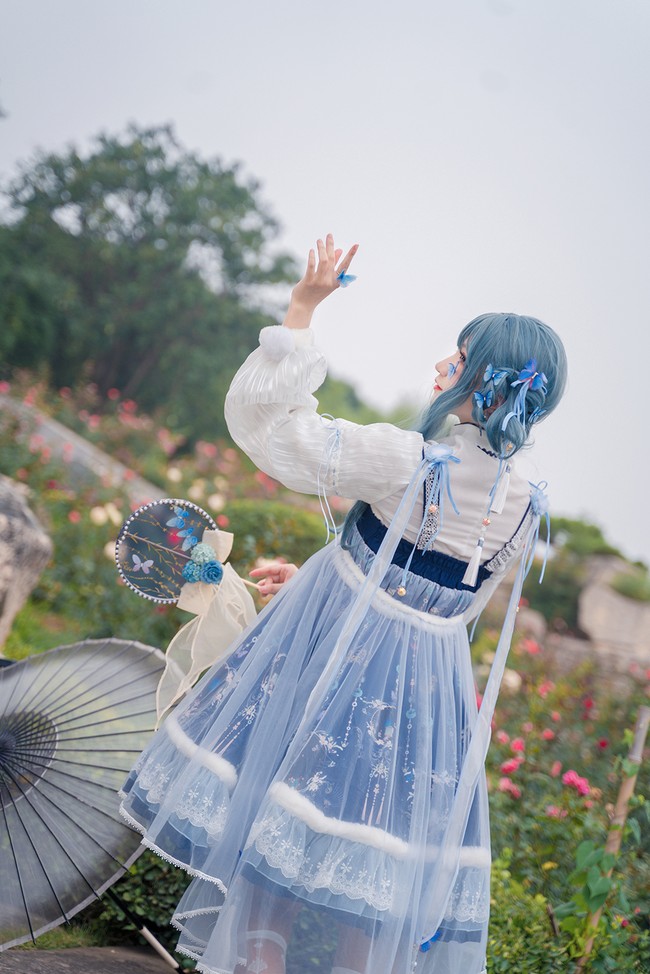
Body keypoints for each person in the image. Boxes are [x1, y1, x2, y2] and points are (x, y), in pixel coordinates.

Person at [120, 234, 567, 974]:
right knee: (373, 873)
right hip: (422, 699)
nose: (442, 366)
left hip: (331, 661)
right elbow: (446, 605)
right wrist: (314, 576)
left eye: (458, 358)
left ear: (483, 382)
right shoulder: (524, 505)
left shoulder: (411, 459)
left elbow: (282, 436)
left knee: (274, 834)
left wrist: (302, 310)